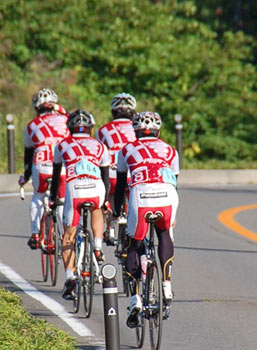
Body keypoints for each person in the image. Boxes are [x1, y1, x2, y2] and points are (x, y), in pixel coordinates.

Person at [113, 111, 179, 327]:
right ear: (159, 130)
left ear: (135, 130)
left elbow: (121, 185)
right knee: (164, 234)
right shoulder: (171, 150)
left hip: (141, 197)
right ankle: (167, 286)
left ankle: (135, 300)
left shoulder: (126, 149)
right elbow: (174, 181)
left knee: (134, 246)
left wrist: (116, 211)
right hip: (168, 196)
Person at [49, 109, 111, 300]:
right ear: (91, 129)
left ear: (69, 128)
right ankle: (98, 246)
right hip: (96, 186)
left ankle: (70, 276)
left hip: (74, 188)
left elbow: (56, 176)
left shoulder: (62, 145)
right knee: (97, 209)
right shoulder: (100, 146)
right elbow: (106, 180)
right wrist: (106, 200)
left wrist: (53, 200)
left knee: (68, 236)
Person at [19, 88, 69, 250]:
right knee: (61, 200)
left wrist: (26, 176)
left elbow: (28, 153)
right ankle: (63, 235)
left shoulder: (31, 125)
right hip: (61, 165)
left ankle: (34, 233)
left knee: (38, 196)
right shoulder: (66, 120)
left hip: (41, 165)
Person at [96, 93, 137, 244]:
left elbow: (98, 155)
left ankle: (108, 227)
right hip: (134, 175)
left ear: (113, 112)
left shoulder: (102, 130)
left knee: (108, 193)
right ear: (133, 113)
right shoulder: (137, 127)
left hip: (113, 174)